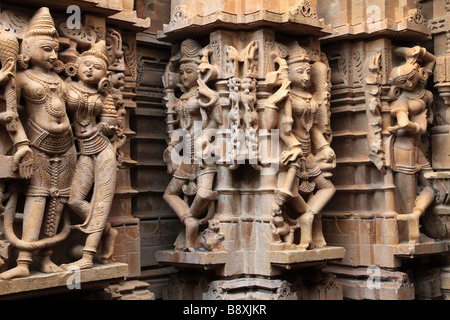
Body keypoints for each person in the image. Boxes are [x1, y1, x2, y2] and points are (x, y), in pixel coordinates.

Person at [0, 7, 76, 280]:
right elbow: (11, 116)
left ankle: (46, 257)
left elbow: (76, 110)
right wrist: (21, 145)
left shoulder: (60, 80)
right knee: (36, 199)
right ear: (28, 48)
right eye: (46, 49)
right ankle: (23, 261)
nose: (53, 55)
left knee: (59, 199)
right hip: (37, 146)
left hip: (68, 148)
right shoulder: (20, 78)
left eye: (55, 50)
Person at [264, 42, 336, 250]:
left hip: (309, 154)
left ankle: (308, 217)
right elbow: (274, 127)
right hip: (291, 152)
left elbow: (312, 127)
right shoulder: (287, 96)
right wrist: (276, 98)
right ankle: (307, 220)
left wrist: (323, 147)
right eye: (300, 72)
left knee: (327, 188)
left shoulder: (310, 97)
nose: (306, 76)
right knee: (292, 193)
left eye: (308, 71)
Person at [63, 41, 120, 269]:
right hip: (82, 150)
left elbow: (110, 121)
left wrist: (106, 126)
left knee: (102, 201)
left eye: (96, 68)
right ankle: (107, 232)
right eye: (86, 64)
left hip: (103, 149)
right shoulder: (66, 88)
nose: (89, 69)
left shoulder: (103, 95)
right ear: (76, 66)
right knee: (74, 199)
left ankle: (87, 257)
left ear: (104, 76)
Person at [163, 39, 220, 252]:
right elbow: (180, 127)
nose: (184, 75)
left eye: (189, 71)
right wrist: (172, 145)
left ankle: (193, 220)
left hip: (205, 152)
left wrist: (206, 137)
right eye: (182, 72)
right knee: (170, 192)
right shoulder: (181, 98)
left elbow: (218, 123)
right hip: (185, 153)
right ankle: (189, 222)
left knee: (204, 194)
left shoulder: (206, 94)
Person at [388, 46, 436, 244]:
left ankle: (417, 214)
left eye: (410, 78)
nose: (408, 83)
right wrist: (420, 127)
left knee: (433, 186)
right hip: (403, 148)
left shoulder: (422, 86)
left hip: (416, 147)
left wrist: (416, 52)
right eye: (403, 82)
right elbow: (402, 123)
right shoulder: (402, 100)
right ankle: (412, 235)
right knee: (407, 199)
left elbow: (432, 61)